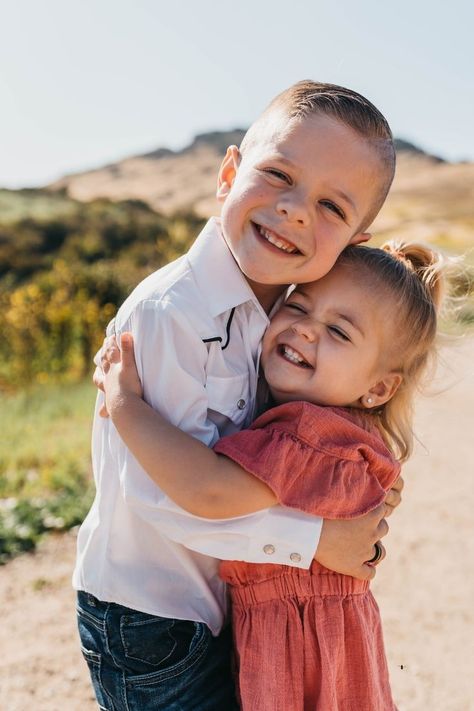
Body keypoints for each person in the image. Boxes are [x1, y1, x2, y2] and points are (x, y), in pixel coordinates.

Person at [74, 80, 403, 710]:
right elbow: (160, 498)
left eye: (333, 208)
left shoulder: (283, 310)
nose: (296, 210)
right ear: (229, 174)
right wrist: (316, 542)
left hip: (219, 596)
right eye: (279, 174)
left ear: (352, 243)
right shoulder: (173, 314)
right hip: (151, 612)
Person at [101, 241, 447, 710]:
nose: (305, 329)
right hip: (328, 640)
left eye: (339, 332)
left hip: (298, 646)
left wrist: (125, 405)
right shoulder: (345, 435)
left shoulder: (307, 438)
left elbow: (206, 489)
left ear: (378, 388)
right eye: (299, 305)